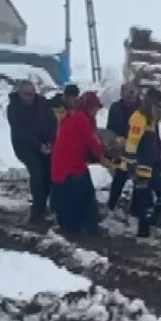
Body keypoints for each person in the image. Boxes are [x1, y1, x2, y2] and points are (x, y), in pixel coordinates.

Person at [50, 86, 105, 235]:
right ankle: (86, 226)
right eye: (95, 109)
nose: (96, 112)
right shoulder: (80, 118)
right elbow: (91, 141)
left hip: (65, 164)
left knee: (77, 194)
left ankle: (78, 224)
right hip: (70, 166)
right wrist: (102, 156)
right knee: (84, 194)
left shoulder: (75, 116)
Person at [6, 79, 58, 224]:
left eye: (32, 94)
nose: (29, 98)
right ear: (20, 93)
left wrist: (50, 141)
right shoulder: (13, 108)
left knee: (50, 172)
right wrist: (38, 145)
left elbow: (52, 122)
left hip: (44, 143)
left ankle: (47, 204)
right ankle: (37, 210)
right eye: (26, 94)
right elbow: (20, 132)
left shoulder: (42, 104)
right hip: (24, 146)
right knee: (37, 173)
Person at [124, 87, 161, 238]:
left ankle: (151, 222)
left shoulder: (152, 121)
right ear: (151, 103)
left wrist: (160, 155)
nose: (160, 109)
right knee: (146, 202)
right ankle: (142, 234)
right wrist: (132, 165)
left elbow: (154, 142)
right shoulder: (139, 118)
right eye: (158, 105)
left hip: (153, 166)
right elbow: (132, 143)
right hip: (141, 167)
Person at [105, 83, 140, 212]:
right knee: (120, 173)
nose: (130, 94)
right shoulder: (115, 108)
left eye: (133, 91)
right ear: (122, 93)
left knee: (139, 176)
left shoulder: (142, 108)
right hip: (119, 150)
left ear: (137, 93)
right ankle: (111, 204)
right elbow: (109, 130)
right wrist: (116, 139)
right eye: (128, 91)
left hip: (138, 149)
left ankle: (135, 208)